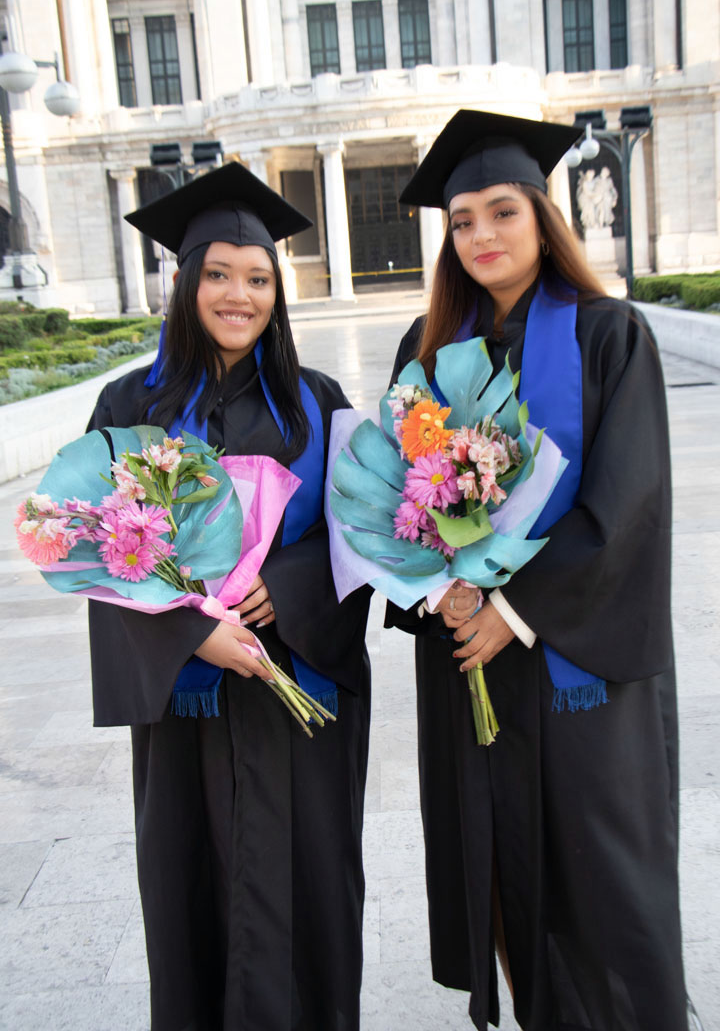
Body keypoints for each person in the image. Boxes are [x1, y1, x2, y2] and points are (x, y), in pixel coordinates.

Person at [386, 110, 690, 1030]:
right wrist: (439, 587)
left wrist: (515, 610)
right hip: (469, 663)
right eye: (463, 219)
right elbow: (396, 500)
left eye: (501, 212)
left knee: (605, 884)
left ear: (542, 217)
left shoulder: (609, 334)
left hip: (574, 660)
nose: (481, 235)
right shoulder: (427, 348)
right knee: (502, 868)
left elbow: (630, 503)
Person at [86, 163, 371, 1031]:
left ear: (277, 291)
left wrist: (288, 591)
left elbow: (358, 536)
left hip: (297, 699)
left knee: (312, 891)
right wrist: (188, 633)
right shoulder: (130, 402)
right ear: (184, 281)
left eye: (258, 278)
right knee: (192, 892)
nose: (238, 295)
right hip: (190, 709)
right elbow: (98, 550)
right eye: (218, 274)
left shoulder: (315, 404)